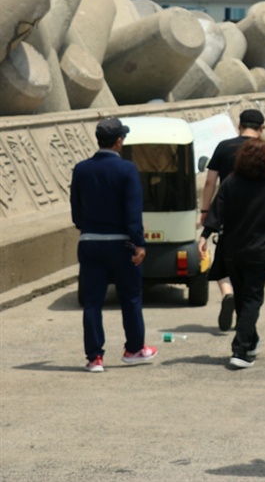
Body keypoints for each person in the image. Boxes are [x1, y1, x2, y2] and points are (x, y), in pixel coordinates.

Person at [72, 117, 156, 372]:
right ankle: (134, 349)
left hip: (89, 242)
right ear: (119, 141)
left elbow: (76, 212)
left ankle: (94, 358)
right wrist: (139, 243)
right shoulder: (127, 170)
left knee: (93, 301)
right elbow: (133, 211)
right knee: (130, 296)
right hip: (121, 244)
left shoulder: (81, 169)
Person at [199, 137, 265, 368]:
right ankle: (240, 350)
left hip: (232, 251)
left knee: (241, 298)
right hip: (260, 253)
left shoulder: (231, 182)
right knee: (252, 299)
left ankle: (251, 340)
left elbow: (216, 213)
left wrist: (204, 237)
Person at [203, 109, 265, 331]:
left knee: (224, 260)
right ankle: (245, 338)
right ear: (262, 128)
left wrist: (205, 212)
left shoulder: (223, 147)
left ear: (239, 126)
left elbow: (210, 181)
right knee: (253, 291)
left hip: (228, 217)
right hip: (260, 222)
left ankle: (227, 293)